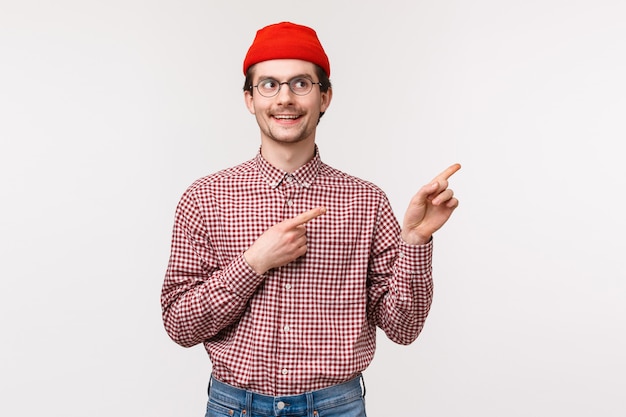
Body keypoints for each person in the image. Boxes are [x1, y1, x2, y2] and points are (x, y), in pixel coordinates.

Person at [161, 21, 460, 417]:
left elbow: (403, 328)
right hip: (234, 408)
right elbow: (180, 325)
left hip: (336, 407)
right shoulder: (204, 198)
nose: (285, 98)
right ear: (250, 99)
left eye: (301, 83)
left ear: (325, 97)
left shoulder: (365, 202)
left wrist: (416, 240)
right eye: (269, 84)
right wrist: (254, 263)